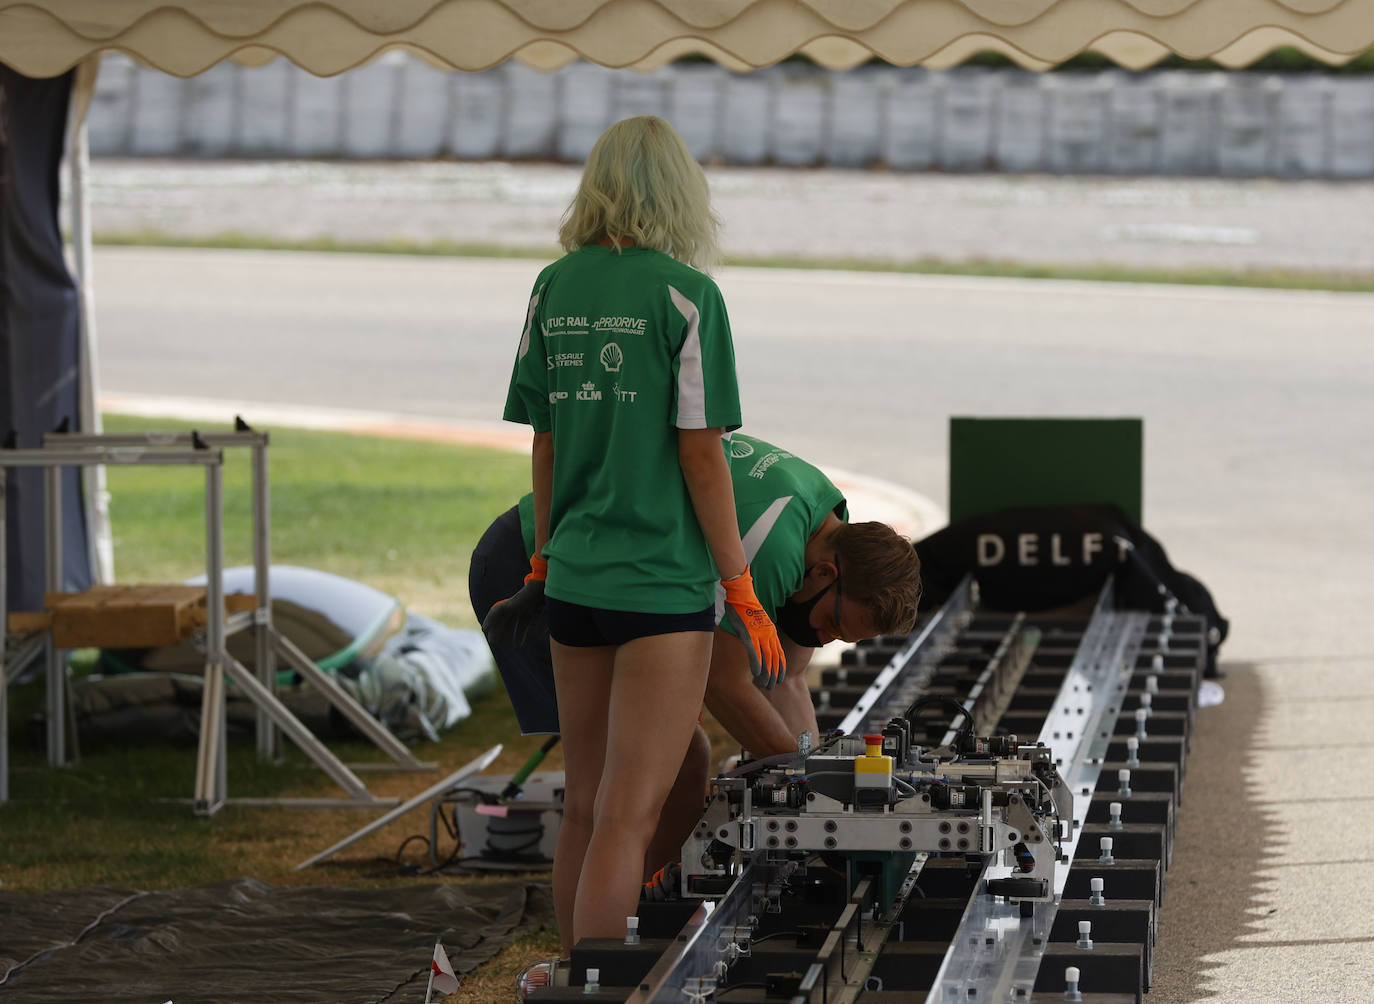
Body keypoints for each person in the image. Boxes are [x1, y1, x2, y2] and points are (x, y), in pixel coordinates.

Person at [486, 115, 785, 958]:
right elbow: (702, 453)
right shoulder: (688, 296)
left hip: (574, 580)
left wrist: (543, 556)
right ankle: (599, 979)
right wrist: (740, 587)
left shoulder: (554, 286)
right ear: (681, 195)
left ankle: (576, 965)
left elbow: (542, 439)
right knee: (628, 814)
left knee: (584, 805)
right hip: (659, 588)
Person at [472, 432, 923, 877]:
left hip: (599, 567)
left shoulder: (826, 521)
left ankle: (635, 900)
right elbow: (722, 681)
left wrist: (813, 771)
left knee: (667, 763)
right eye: (834, 625)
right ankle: (620, 920)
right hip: (533, 565)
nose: (823, 639)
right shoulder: (770, 547)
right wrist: (808, 781)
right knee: (646, 771)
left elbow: (785, 676)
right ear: (826, 572)